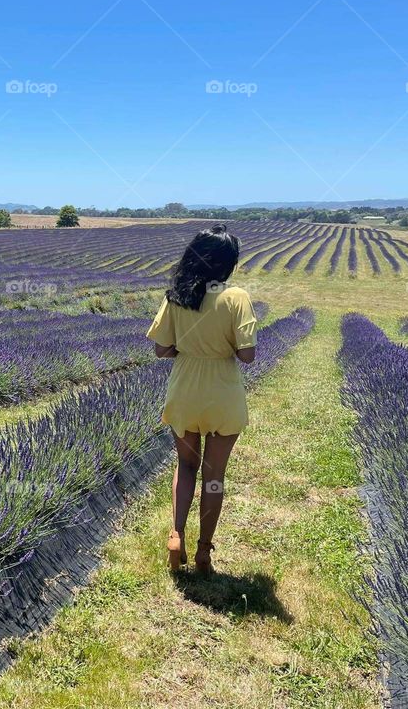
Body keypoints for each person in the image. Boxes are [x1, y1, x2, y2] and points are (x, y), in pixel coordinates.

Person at [146, 223, 257, 574]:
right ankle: (204, 553)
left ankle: (176, 533)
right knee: (214, 476)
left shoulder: (176, 296)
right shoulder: (236, 297)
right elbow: (247, 355)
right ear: (227, 263)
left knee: (186, 466)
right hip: (222, 393)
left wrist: (188, 345)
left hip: (185, 391)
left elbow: (161, 348)